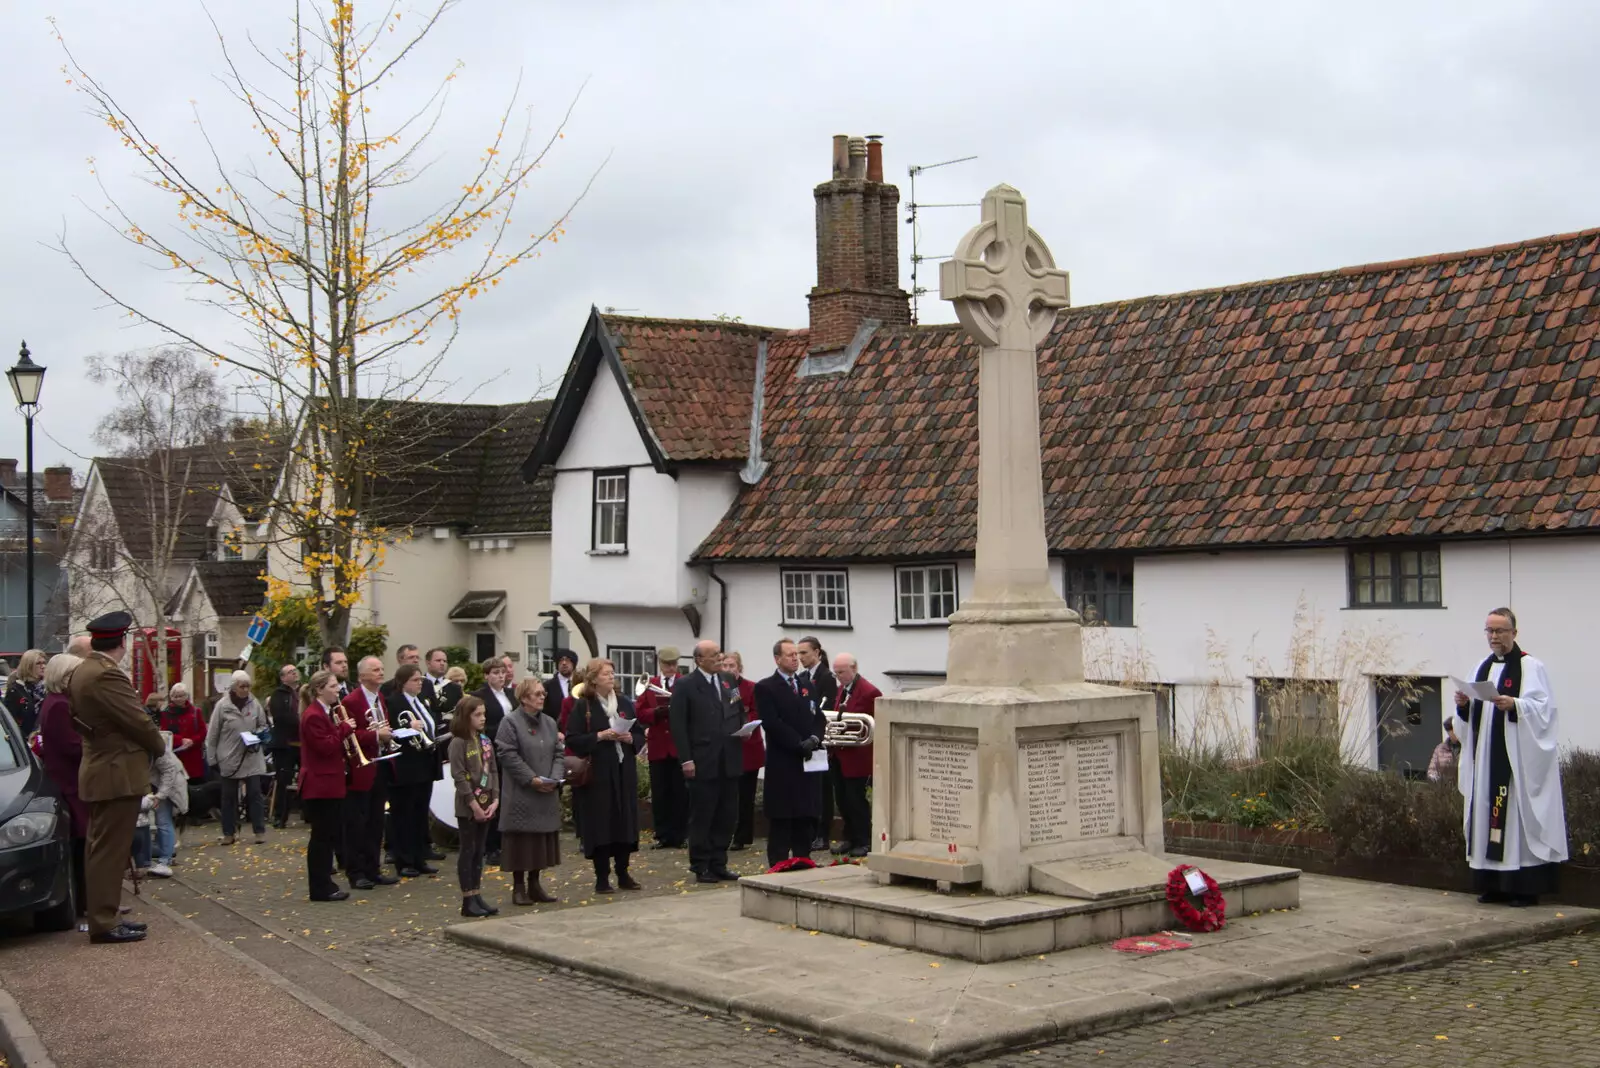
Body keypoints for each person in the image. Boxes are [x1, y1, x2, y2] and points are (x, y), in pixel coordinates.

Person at [1453, 607, 1567, 907]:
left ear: (1514, 633)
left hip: (1515, 763)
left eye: (1500, 631)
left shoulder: (1531, 667)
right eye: (1489, 630)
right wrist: (1463, 705)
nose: (1494, 636)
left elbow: (1546, 711)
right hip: (1485, 762)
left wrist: (1516, 705)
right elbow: (1466, 722)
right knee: (1486, 816)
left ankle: (1523, 888)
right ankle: (1494, 885)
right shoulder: (1480, 667)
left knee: (1514, 820)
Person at [70, 611, 165, 944]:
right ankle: (104, 921)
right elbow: (137, 720)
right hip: (116, 772)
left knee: (101, 850)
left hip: (102, 768)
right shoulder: (106, 675)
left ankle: (103, 916)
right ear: (121, 642)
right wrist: (159, 745)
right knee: (110, 851)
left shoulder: (83, 670)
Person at [566, 659, 646, 893]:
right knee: (600, 824)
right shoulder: (585, 706)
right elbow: (572, 739)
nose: (611, 677)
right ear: (593, 679)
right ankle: (602, 877)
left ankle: (623, 872)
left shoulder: (624, 702)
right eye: (605, 674)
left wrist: (631, 739)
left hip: (623, 771)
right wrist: (600, 736)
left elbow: (638, 732)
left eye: (612, 673)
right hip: (599, 774)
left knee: (624, 822)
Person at [668, 640, 743, 884]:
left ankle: (719, 862)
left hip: (728, 757)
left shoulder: (728, 680)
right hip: (702, 759)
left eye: (720, 654)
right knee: (703, 814)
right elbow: (678, 725)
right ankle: (700, 865)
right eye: (713, 656)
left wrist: (743, 727)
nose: (719, 659)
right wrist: (686, 759)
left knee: (726, 814)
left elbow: (738, 708)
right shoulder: (686, 685)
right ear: (699, 660)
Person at [755, 639, 824, 870]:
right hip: (783, 761)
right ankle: (779, 863)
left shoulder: (806, 684)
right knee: (783, 816)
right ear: (777, 659)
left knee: (805, 815)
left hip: (807, 762)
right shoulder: (766, 687)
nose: (795, 658)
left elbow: (818, 717)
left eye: (796, 654)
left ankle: (803, 859)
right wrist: (797, 743)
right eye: (789, 655)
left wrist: (815, 738)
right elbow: (772, 723)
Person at [494, 678, 564, 904]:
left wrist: (554, 778)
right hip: (522, 791)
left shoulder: (550, 722)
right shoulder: (510, 722)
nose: (542, 697)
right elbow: (507, 754)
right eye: (537, 694)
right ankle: (518, 887)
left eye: (543, 693)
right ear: (524, 698)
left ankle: (535, 883)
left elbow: (558, 753)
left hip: (546, 789)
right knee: (521, 840)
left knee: (540, 840)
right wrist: (531, 779)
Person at [298, 670, 355, 902]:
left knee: (328, 836)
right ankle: (320, 887)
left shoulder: (326, 713)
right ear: (320, 689)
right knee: (321, 838)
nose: (338, 690)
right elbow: (325, 747)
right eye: (333, 686)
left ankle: (325, 884)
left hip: (330, 782)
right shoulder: (313, 716)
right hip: (320, 784)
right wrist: (344, 729)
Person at [38, 653, 87, 916]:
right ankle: (86, 903)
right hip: (70, 783)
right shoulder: (58, 705)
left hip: (70, 780)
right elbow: (71, 746)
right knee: (81, 846)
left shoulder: (58, 702)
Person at [340, 656, 396, 889]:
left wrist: (387, 736)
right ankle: (356, 872)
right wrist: (376, 735)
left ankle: (373, 868)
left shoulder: (379, 697)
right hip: (361, 768)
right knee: (358, 823)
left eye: (382, 669)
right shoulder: (351, 700)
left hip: (380, 763)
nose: (380, 672)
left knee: (376, 821)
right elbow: (349, 735)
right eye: (375, 670)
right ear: (362, 675)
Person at [383, 663, 441, 878]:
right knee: (404, 815)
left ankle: (419, 857)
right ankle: (404, 860)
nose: (419, 683)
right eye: (415, 680)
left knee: (419, 813)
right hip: (406, 765)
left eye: (420, 680)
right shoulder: (394, 702)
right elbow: (390, 731)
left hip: (424, 763)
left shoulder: (421, 701)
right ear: (403, 682)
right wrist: (409, 729)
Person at [448, 697, 499, 916]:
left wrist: (495, 799)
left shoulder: (485, 740)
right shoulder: (458, 743)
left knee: (480, 851)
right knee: (468, 850)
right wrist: (473, 805)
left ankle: (477, 893)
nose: (482, 718)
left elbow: (494, 771)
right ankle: (467, 898)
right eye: (477, 715)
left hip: (487, 802)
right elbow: (458, 776)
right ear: (466, 716)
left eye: (484, 714)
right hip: (469, 806)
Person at [206, 670, 269, 846]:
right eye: (242, 686)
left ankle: (259, 831)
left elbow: (263, 725)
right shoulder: (222, 706)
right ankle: (229, 832)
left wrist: (258, 735)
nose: (246, 689)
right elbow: (212, 734)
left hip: (251, 756)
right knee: (228, 797)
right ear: (234, 687)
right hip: (229, 757)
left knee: (255, 794)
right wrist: (212, 759)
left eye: (248, 686)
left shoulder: (254, 704)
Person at [634, 646, 687, 850]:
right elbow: (640, 712)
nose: (670, 668)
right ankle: (663, 835)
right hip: (658, 745)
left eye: (673, 664)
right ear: (660, 664)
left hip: (678, 745)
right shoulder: (651, 685)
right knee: (660, 792)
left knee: (680, 792)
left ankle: (680, 834)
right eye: (666, 664)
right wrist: (657, 712)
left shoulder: (684, 683)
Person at [829, 653, 879, 857]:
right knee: (842, 800)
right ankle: (849, 838)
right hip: (840, 754)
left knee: (856, 801)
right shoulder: (842, 689)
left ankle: (864, 840)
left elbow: (874, 725)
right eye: (836, 672)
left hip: (858, 757)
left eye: (842, 672)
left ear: (854, 668)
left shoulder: (869, 691)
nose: (838, 676)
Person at [797, 636, 838, 851]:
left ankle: (823, 833)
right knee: (809, 789)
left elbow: (825, 709)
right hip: (805, 738)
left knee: (823, 789)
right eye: (798, 653)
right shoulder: (802, 676)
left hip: (821, 741)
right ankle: (811, 831)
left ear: (817, 653)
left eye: (804, 653)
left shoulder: (826, 677)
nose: (800, 657)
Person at [723, 652, 762, 852]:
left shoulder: (750, 687)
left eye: (732, 665)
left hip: (748, 747)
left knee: (746, 795)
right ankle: (728, 833)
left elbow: (756, 711)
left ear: (739, 667)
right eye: (725, 665)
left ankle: (743, 836)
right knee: (729, 795)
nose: (729, 669)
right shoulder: (721, 687)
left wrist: (745, 725)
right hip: (727, 748)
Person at [160, 683, 213, 823]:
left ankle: (195, 813)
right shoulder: (165, 713)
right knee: (179, 786)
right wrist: (180, 740)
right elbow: (164, 733)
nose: (178, 699)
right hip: (177, 755)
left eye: (181, 696)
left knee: (196, 786)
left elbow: (203, 731)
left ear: (186, 696)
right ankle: (181, 813)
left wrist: (193, 740)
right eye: (175, 696)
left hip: (193, 755)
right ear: (171, 697)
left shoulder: (196, 712)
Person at [146, 731, 189, 877]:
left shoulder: (155, 747)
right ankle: (162, 854)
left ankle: (165, 860)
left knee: (163, 821)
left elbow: (169, 771)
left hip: (170, 786)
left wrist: (161, 795)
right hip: (160, 784)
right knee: (161, 822)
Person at [268, 663, 302, 828]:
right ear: (283, 677)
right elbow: (281, 716)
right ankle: (280, 816)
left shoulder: (303, 692)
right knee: (284, 781)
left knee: (307, 778)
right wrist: (302, 722)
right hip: (285, 744)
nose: (294, 674)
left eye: (295, 671)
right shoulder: (278, 694)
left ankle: (307, 812)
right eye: (290, 672)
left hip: (303, 743)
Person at [4, 648, 45, 737]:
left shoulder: (48, 687)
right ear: (28, 666)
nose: (43, 666)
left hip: (45, 739)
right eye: (38, 663)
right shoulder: (16, 690)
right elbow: (11, 720)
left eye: (44, 663)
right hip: (25, 740)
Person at [1427, 717, 1462, 783]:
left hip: (1461, 787)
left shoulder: (1467, 748)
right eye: (1450, 732)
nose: (1453, 735)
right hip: (1444, 788)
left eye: (1454, 731)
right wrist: (1437, 780)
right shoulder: (1440, 748)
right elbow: (1432, 769)